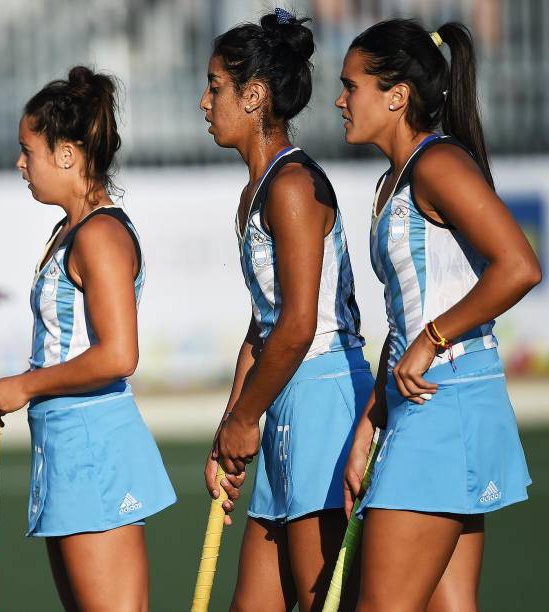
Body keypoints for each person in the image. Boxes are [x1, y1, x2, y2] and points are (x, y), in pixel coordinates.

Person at [335, 19, 540, 610]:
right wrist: (372, 419)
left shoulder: (438, 164)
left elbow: (520, 265)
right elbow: (404, 321)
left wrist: (432, 338)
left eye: (352, 86)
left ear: (397, 95)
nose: (340, 99)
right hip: (423, 403)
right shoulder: (391, 181)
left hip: (445, 405)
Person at [0, 66, 176, 612]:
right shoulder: (70, 229)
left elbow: (119, 354)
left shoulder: (102, 234)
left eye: (28, 150)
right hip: (64, 445)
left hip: (93, 444)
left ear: (67, 154)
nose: (21, 163)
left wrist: (24, 386)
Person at [198, 8, 372, 611]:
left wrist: (247, 418)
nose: (204, 101)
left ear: (254, 96)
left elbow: (298, 327)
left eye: (216, 87)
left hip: (323, 399)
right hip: (285, 399)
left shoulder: (293, 185)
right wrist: (231, 426)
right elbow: (263, 325)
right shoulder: (257, 188)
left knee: (323, 600)